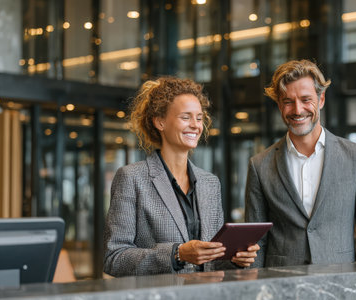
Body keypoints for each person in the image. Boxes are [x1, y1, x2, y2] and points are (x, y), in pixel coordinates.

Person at [104, 77, 259, 276]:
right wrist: (177, 254)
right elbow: (114, 259)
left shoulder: (210, 183)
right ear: (160, 122)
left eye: (199, 118)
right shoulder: (131, 178)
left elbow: (212, 262)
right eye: (185, 117)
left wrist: (235, 259)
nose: (195, 125)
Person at [245, 60, 356, 267]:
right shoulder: (259, 165)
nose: (297, 109)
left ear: (321, 99)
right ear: (279, 105)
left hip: (341, 285)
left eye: (305, 99)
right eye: (288, 101)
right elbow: (256, 242)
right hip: (281, 285)